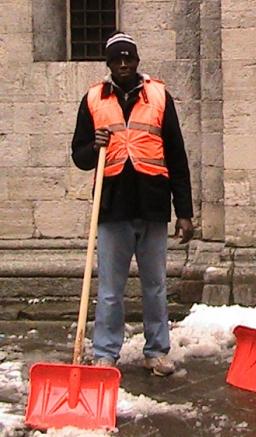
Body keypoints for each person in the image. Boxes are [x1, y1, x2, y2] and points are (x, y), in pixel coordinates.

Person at [71, 32, 194, 376]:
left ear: (138, 62)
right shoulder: (94, 99)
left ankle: (157, 351)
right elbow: (79, 156)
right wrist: (91, 145)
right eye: (117, 60)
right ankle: (105, 353)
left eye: (129, 59)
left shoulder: (159, 96)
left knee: (155, 285)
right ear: (108, 64)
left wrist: (184, 211)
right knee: (110, 288)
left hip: (152, 204)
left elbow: (177, 156)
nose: (124, 64)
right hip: (112, 207)